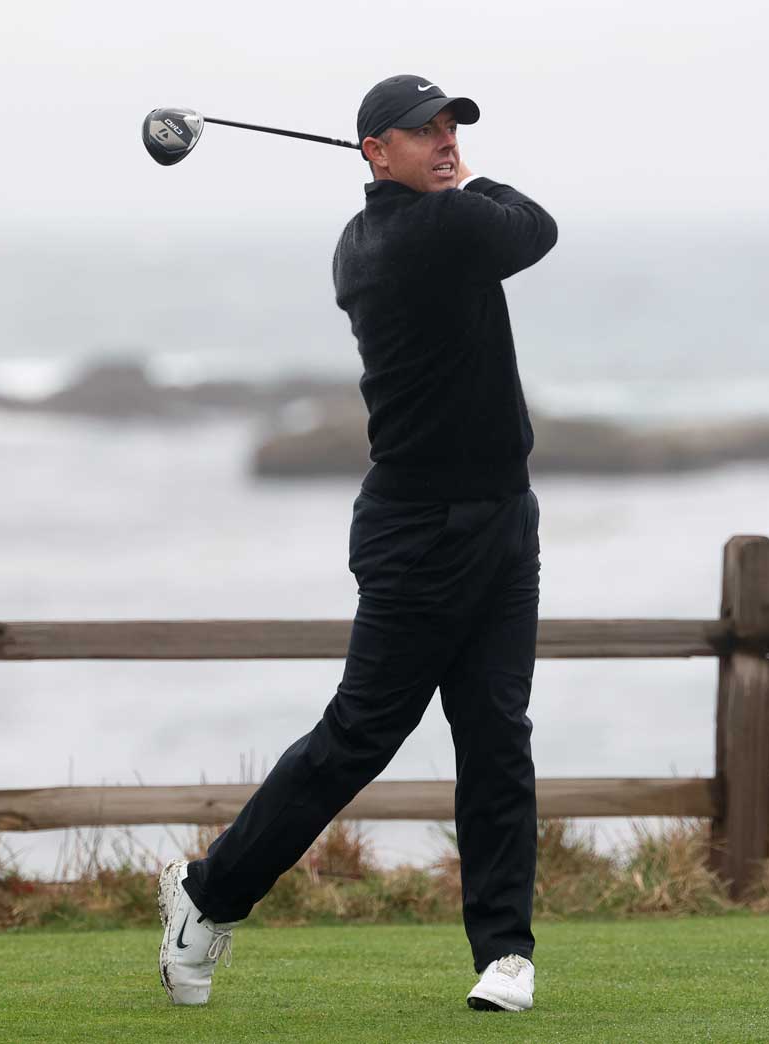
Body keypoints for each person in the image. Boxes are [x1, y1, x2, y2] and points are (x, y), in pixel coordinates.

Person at [155, 72, 558, 1013]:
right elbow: (533, 227)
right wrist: (474, 185)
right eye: (424, 130)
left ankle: (504, 952)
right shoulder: (424, 233)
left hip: (503, 517)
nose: (446, 140)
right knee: (358, 738)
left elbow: (501, 227)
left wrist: (455, 182)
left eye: (453, 125)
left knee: (497, 735)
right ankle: (205, 896)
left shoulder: (377, 232)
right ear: (375, 151)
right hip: (420, 535)